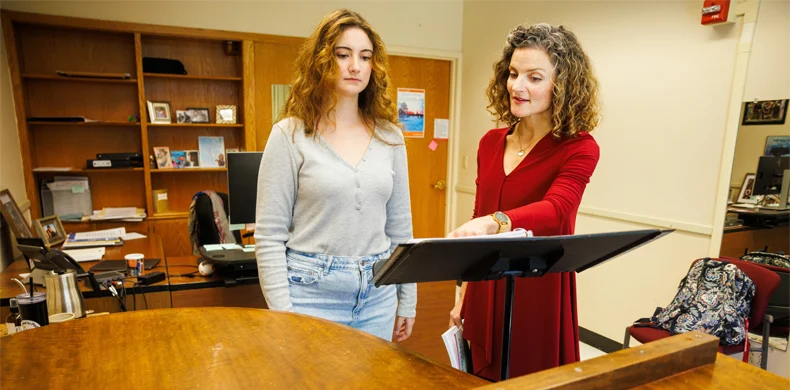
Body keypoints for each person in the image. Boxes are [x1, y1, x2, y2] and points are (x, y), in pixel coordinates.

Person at [448, 23, 601, 380]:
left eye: (534, 77)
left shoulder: (579, 148)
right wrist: (465, 294)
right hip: (487, 284)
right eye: (514, 74)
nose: (517, 87)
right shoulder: (490, 142)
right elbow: (477, 219)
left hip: (538, 287)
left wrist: (495, 221)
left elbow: (557, 209)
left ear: (562, 86)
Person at [254, 9, 416, 342]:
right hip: (310, 296)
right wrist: (282, 314)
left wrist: (407, 302)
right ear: (321, 62)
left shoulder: (391, 137)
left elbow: (401, 230)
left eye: (365, 56)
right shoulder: (290, 135)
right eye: (343, 55)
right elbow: (269, 237)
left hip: (377, 294)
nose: (355, 66)